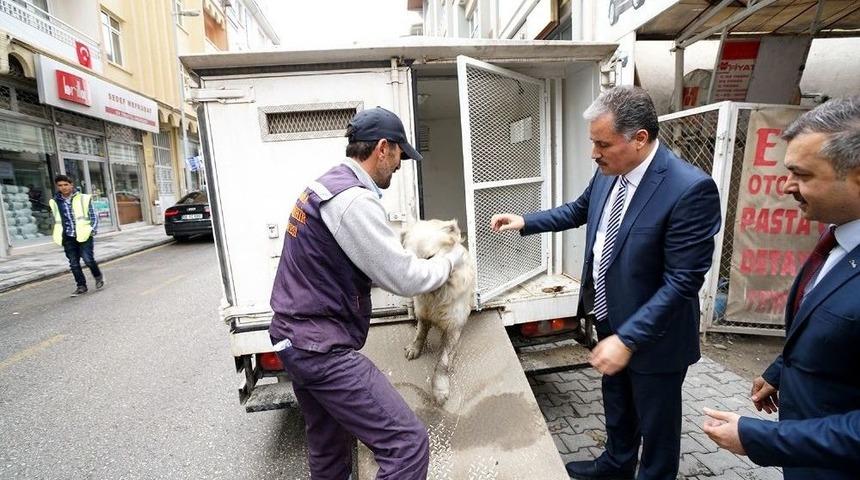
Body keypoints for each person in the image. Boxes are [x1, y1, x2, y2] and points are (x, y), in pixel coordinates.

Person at [490, 86, 721, 480]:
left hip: (655, 337)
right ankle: (615, 465)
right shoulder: (609, 174)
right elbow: (579, 210)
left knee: (657, 425)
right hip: (609, 319)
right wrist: (526, 221)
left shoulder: (688, 189)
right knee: (617, 404)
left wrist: (629, 338)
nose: (593, 153)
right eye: (593, 142)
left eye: (602, 144)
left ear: (640, 139)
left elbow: (683, 281)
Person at [268, 107, 466, 480]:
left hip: (295, 340)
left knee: (329, 451)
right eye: (400, 156)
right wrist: (450, 260)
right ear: (382, 148)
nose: (400, 165)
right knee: (406, 444)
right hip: (320, 347)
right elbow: (404, 278)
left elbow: (344, 262)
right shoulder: (353, 201)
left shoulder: (327, 185)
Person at [702, 96, 860, 479]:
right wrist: (781, 371)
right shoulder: (838, 234)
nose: (787, 186)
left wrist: (761, 438)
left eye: (803, 175)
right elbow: (829, 323)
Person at [48, 174, 104, 297]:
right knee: (73, 263)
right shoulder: (55, 202)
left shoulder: (83, 198)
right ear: (57, 187)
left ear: (71, 185)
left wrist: (92, 230)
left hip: (84, 234)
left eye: (66, 185)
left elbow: (93, 215)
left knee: (88, 260)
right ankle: (81, 286)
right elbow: (56, 218)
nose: (63, 187)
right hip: (68, 236)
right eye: (60, 185)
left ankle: (98, 276)